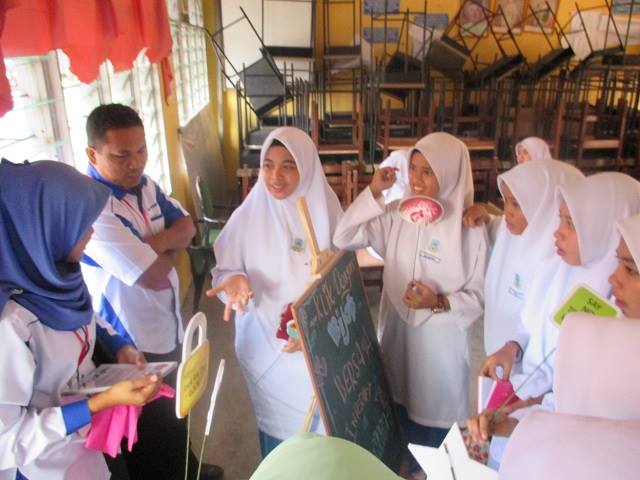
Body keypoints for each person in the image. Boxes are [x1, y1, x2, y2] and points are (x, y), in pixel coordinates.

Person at [79, 104, 222, 479]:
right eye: (121, 155)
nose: (135, 163)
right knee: (148, 430)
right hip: (130, 339)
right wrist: (168, 249)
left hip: (167, 324)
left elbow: (188, 226)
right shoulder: (93, 208)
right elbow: (154, 275)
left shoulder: (146, 187)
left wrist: (153, 245)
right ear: (93, 154)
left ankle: (188, 467)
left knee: (176, 409)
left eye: (141, 150)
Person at [0, 159, 161, 479]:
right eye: (79, 226)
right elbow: (7, 441)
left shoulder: (58, 280)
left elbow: (89, 317)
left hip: (86, 447)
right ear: (42, 231)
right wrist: (96, 404)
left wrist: (120, 346)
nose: (91, 232)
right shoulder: (11, 326)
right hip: (43, 468)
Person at [467, 172, 640, 468]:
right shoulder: (556, 269)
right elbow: (531, 325)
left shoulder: (622, 311)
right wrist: (512, 348)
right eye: (560, 220)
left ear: (603, 227)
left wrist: (523, 414)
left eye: (571, 223)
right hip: (532, 415)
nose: (556, 233)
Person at [333, 133, 488, 459]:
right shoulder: (397, 214)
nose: (416, 178)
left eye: (428, 171)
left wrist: (439, 302)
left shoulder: (471, 229)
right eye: (413, 168)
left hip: (440, 353)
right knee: (396, 419)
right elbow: (343, 236)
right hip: (398, 339)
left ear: (450, 173)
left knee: (434, 439)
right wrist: (374, 191)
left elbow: (478, 297)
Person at [207, 127, 343, 457]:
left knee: (324, 436)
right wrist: (233, 283)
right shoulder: (248, 216)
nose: (275, 177)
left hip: (316, 346)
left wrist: (314, 327)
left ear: (306, 167)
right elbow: (224, 273)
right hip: (265, 348)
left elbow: (343, 283)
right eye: (267, 165)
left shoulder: (327, 213)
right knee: (280, 435)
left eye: (288, 166)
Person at [483, 160, 583, 355]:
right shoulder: (509, 233)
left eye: (516, 204)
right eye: (505, 201)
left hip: (533, 362)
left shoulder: (562, 258)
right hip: (500, 351)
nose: (507, 211)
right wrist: (486, 218)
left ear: (545, 207)